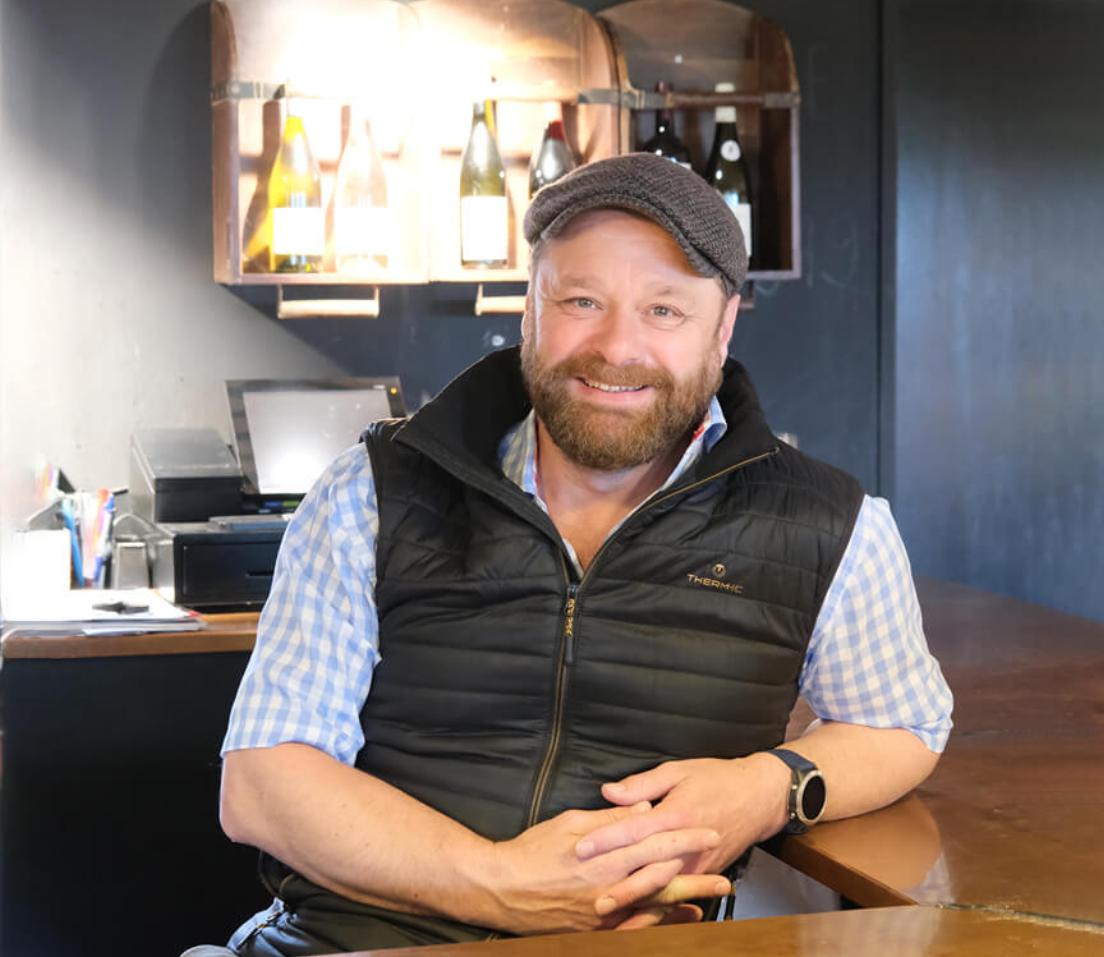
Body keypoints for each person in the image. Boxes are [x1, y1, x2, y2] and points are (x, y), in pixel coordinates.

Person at [208, 153, 953, 956]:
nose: (615, 347)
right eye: (581, 300)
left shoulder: (828, 522)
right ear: (531, 304)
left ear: (724, 324)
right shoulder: (374, 491)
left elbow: (903, 722)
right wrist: (501, 882)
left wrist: (769, 786)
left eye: (664, 310)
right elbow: (262, 783)